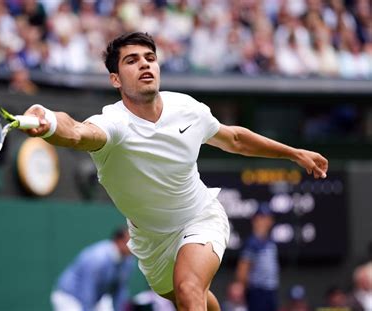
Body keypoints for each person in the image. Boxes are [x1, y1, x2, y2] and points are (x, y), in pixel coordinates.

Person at [24, 32, 328, 310]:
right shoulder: (112, 124)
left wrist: (294, 153)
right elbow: (76, 132)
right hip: (151, 243)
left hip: (200, 217)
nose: (144, 65)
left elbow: (234, 138)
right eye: (132, 61)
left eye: (150, 58)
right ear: (116, 79)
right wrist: (49, 120)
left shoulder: (187, 109)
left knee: (188, 288)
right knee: (195, 298)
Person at [50, 226, 134, 311]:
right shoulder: (98, 258)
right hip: (69, 297)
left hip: (96, 297)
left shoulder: (128, 261)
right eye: (130, 241)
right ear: (119, 241)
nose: (133, 245)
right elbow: (87, 290)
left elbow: (120, 291)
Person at [235, 203, 279, 311]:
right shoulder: (252, 243)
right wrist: (246, 289)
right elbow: (242, 270)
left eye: (267, 218)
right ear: (254, 220)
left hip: (271, 291)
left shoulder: (270, 242)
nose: (264, 221)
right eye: (261, 218)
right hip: (257, 291)